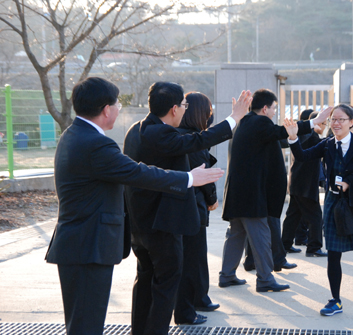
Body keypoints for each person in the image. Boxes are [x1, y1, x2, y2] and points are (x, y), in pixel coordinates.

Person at [45, 77, 224, 335]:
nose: (119, 109)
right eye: (117, 103)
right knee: (86, 325)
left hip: (80, 244)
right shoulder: (96, 144)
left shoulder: (73, 135)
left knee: (83, 323)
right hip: (88, 246)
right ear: (106, 109)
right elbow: (140, 173)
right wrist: (189, 178)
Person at [123, 82, 251, 333]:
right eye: (183, 105)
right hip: (162, 225)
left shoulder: (136, 130)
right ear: (173, 109)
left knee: (146, 281)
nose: (184, 110)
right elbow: (198, 140)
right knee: (165, 285)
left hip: (140, 224)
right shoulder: (162, 134)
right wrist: (234, 118)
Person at [220, 88, 330, 293]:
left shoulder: (243, 123)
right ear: (264, 108)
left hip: (237, 194)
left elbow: (278, 138)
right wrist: (314, 122)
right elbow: (281, 132)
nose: (274, 113)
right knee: (261, 237)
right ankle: (265, 279)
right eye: (273, 109)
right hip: (252, 196)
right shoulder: (259, 122)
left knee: (236, 234)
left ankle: (226, 275)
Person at [283, 104, 353, 316]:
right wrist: (293, 138)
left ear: (352, 122)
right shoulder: (327, 145)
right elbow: (302, 156)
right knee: (333, 254)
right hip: (334, 204)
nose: (335, 124)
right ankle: (335, 300)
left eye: (341, 120)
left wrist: (350, 182)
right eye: (333, 120)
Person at [175, 92, 221, 318]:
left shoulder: (179, 135)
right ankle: (195, 301)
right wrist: (212, 199)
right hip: (192, 206)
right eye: (208, 111)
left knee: (193, 256)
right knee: (194, 257)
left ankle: (199, 298)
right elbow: (203, 175)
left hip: (186, 205)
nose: (210, 115)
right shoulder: (191, 139)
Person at [281, 109, 328, 257]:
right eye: (325, 123)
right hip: (305, 184)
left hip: (297, 182)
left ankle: (285, 245)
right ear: (317, 123)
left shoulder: (304, 135)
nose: (326, 127)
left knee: (293, 215)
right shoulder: (311, 137)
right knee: (315, 216)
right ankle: (314, 248)